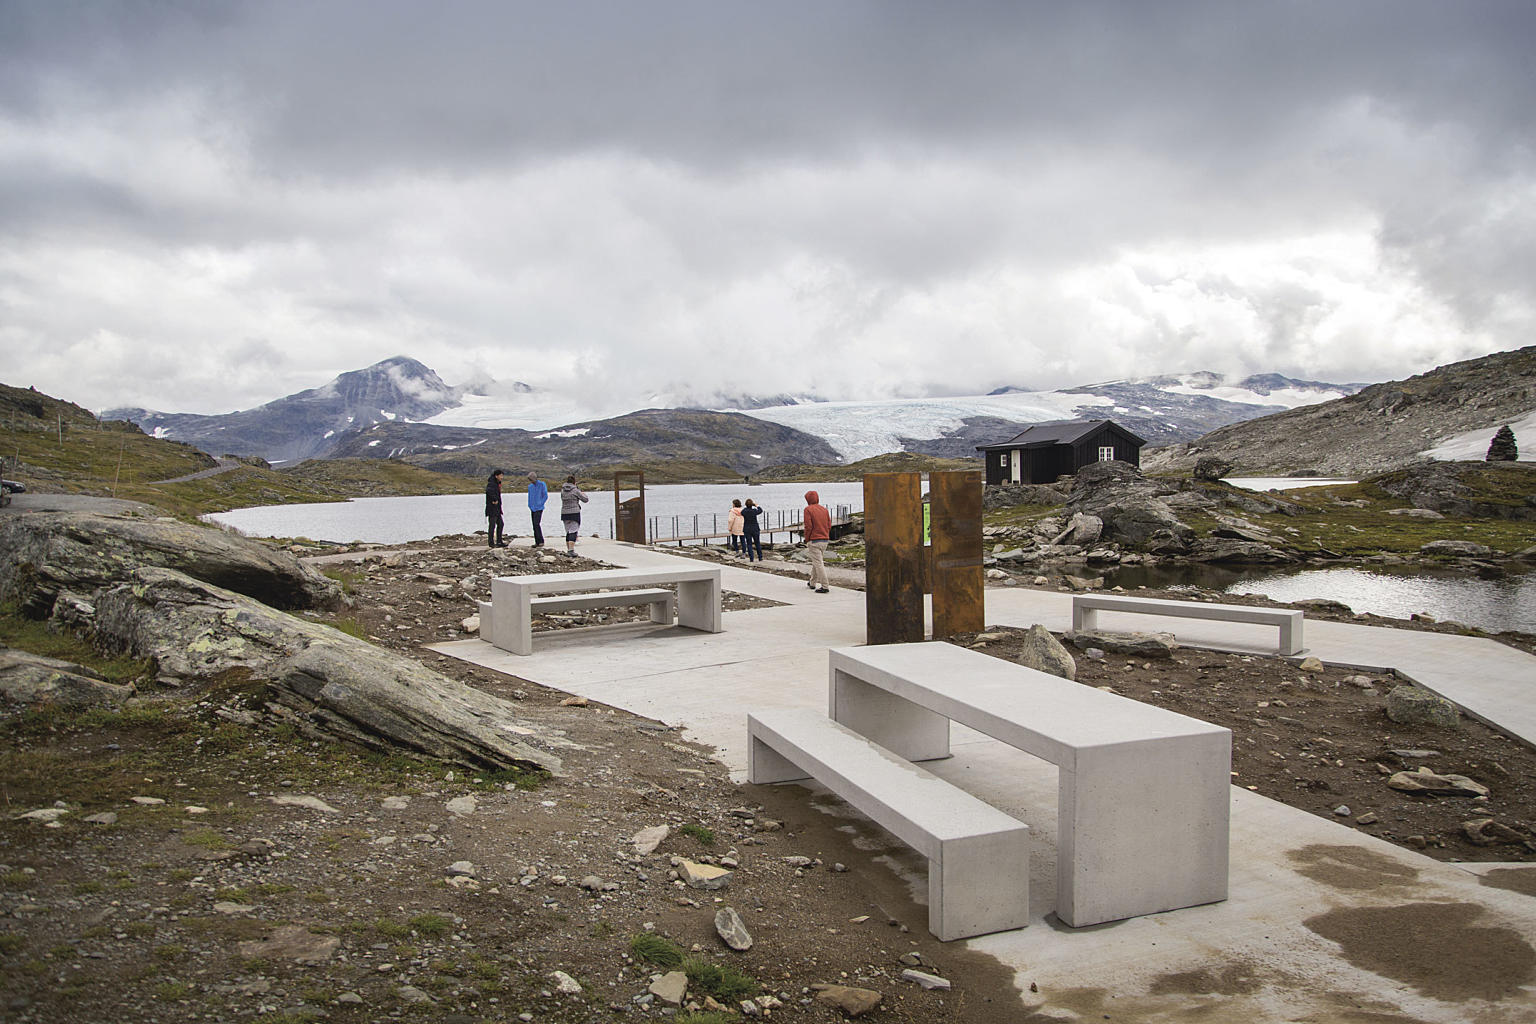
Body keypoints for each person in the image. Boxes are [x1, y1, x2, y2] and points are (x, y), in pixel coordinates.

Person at [803, 489, 832, 593]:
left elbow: (808, 526)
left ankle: (825, 586)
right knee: (817, 562)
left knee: (818, 563)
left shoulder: (808, 509)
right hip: (825, 540)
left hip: (814, 540)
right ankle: (812, 582)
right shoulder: (824, 510)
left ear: (807, 499)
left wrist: (807, 538)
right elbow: (829, 525)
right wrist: (825, 534)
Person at [560, 474, 589, 557]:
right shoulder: (575, 490)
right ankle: (571, 550)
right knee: (573, 531)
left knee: (568, 532)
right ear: (574, 482)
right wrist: (582, 493)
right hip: (574, 512)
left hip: (564, 512)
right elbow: (585, 500)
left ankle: (568, 549)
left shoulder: (562, 490)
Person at [484, 469, 507, 547]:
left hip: (497, 508)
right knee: (492, 525)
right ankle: (491, 543)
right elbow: (489, 492)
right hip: (492, 508)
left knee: (500, 524)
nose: (502, 477)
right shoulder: (492, 483)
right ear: (496, 476)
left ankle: (499, 541)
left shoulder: (497, 483)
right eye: (501, 475)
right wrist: (494, 500)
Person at [526, 472, 548, 547]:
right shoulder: (530, 487)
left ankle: (541, 541)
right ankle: (537, 542)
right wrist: (529, 505)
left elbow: (545, 495)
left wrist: (540, 503)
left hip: (539, 508)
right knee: (534, 525)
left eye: (531, 479)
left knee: (536, 524)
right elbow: (530, 496)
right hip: (532, 508)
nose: (531, 481)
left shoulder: (542, 484)